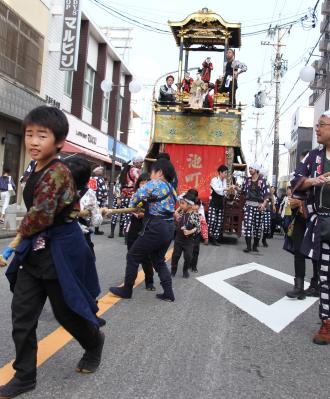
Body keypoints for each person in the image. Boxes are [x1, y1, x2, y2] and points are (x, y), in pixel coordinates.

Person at [0, 106, 104, 399]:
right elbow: (33, 215)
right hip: (35, 251)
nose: (33, 141)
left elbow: (39, 217)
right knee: (22, 314)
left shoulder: (58, 173)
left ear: (59, 141)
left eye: (41, 135)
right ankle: (24, 376)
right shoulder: (34, 167)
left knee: (67, 313)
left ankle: (94, 343)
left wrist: (11, 246)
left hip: (60, 249)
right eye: (29, 134)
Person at [109, 158, 177, 302]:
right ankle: (168, 292)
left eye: (152, 172)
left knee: (133, 255)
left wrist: (137, 204)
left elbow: (136, 196)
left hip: (156, 226)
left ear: (159, 172)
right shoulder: (171, 188)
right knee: (158, 259)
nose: (150, 175)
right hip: (169, 227)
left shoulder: (155, 184)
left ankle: (127, 289)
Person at [290, 111, 330, 344]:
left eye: (322, 125)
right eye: (316, 125)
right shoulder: (313, 157)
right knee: (325, 275)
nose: (317, 129)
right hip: (324, 224)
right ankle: (326, 322)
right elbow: (296, 181)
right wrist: (315, 180)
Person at [125, 172, 155, 291]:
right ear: (138, 184)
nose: (144, 185)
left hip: (146, 228)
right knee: (131, 254)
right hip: (134, 227)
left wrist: (145, 214)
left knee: (146, 257)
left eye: (147, 183)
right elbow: (130, 208)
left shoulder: (153, 197)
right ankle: (130, 280)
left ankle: (149, 281)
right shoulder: (135, 195)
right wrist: (137, 213)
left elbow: (154, 213)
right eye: (142, 183)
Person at [109, 156, 143, 239]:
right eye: (141, 162)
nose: (141, 165)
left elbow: (117, 184)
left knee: (116, 213)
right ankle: (125, 235)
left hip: (121, 195)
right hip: (130, 196)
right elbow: (140, 184)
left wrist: (118, 197)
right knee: (127, 215)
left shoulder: (124, 171)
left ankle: (112, 233)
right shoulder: (136, 171)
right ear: (136, 163)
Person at [241, 162, 270, 253]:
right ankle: (248, 247)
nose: (250, 170)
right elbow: (242, 191)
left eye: (251, 168)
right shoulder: (247, 180)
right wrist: (235, 189)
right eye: (249, 168)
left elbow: (267, 194)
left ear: (256, 170)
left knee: (257, 227)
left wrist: (264, 204)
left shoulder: (263, 180)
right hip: (249, 205)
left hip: (259, 206)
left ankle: (254, 246)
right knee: (248, 225)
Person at [171, 191, 200, 278]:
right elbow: (178, 220)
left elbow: (198, 228)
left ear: (190, 205)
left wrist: (189, 231)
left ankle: (185, 270)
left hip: (189, 241)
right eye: (180, 203)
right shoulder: (182, 213)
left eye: (183, 204)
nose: (181, 205)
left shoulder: (195, 215)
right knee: (175, 256)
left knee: (188, 256)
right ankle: (173, 270)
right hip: (179, 239)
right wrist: (176, 217)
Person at [208, 165, 228, 246]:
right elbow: (217, 190)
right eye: (225, 172)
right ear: (220, 172)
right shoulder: (214, 180)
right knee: (212, 221)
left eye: (226, 173)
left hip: (220, 204)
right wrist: (225, 189)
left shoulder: (225, 181)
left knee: (218, 222)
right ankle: (209, 235)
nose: (226, 174)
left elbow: (224, 193)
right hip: (213, 203)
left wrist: (228, 191)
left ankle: (214, 239)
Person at [190, 198, 208, 273]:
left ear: (199, 206)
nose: (195, 206)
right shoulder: (187, 214)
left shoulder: (201, 216)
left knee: (195, 251)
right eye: (193, 204)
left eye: (197, 205)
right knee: (188, 251)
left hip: (197, 235)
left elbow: (204, 227)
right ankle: (188, 264)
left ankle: (194, 266)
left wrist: (205, 237)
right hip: (188, 236)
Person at [90, 166, 107, 235]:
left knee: (91, 212)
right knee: (98, 213)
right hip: (99, 198)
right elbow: (104, 188)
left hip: (92, 198)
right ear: (97, 172)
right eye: (100, 170)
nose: (102, 171)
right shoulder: (100, 179)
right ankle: (96, 229)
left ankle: (89, 227)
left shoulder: (92, 178)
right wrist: (105, 196)